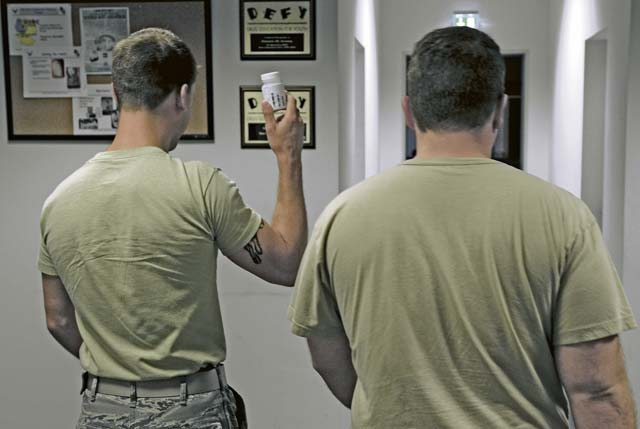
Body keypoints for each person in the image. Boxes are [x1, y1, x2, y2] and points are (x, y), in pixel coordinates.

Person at [288, 26, 637, 428]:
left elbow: (327, 356)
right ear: (500, 111)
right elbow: (596, 390)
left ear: (408, 111)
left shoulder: (341, 216)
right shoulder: (564, 216)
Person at [39, 28, 307, 428]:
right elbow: (285, 264)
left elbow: (58, 320)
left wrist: (119, 369)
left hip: (102, 409)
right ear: (182, 96)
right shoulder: (200, 185)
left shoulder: (58, 202)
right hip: (192, 410)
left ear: (116, 94)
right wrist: (288, 156)